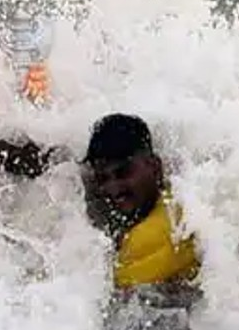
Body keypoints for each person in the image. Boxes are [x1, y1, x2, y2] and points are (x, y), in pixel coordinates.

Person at [81, 113, 200, 291]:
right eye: (103, 179)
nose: (114, 189)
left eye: (123, 173)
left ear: (155, 167)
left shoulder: (162, 234)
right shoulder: (181, 195)